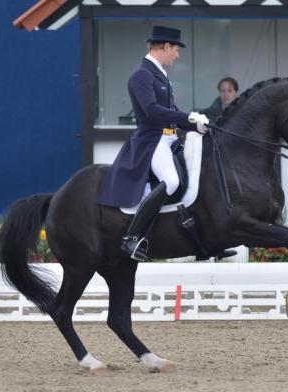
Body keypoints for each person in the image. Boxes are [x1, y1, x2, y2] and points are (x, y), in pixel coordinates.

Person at [99, 25, 210, 262]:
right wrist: (185, 118)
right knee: (171, 181)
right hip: (153, 139)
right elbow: (151, 111)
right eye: (176, 50)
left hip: (169, 137)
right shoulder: (142, 74)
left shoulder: (159, 73)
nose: (177, 55)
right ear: (166, 46)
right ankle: (132, 236)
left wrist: (194, 123)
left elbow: (171, 111)